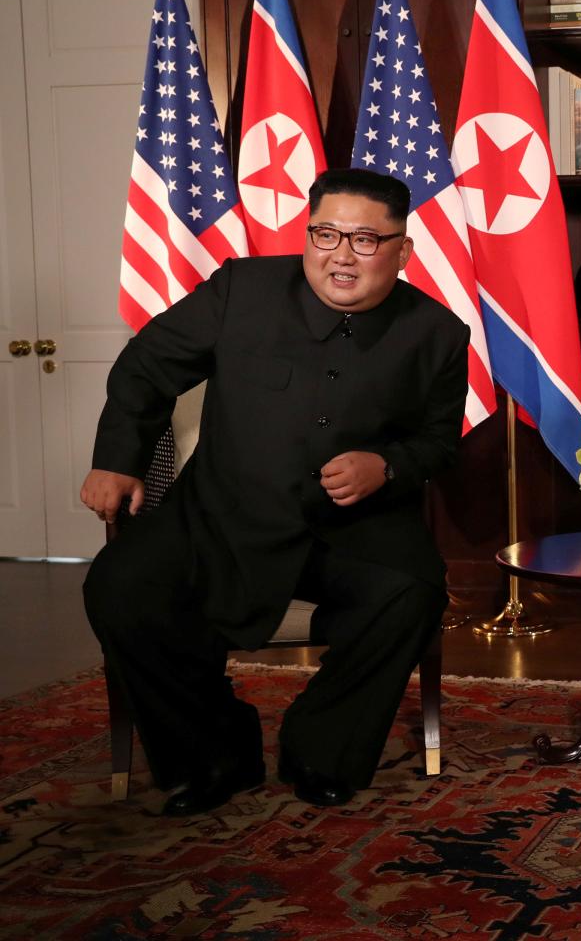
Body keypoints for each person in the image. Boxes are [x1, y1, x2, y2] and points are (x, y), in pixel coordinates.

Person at [82, 168, 469, 816]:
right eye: (326, 233)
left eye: (366, 241)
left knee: (412, 591)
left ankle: (321, 750)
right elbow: (146, 367)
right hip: (223, 510)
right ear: (307, 232)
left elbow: (439, 442)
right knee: (120, 587)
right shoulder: (242, 289)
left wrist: (387, 465)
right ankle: (213, 754)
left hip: (349, 525)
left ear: (404, 251)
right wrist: (119, 460)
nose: (341, 255)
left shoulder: (438, 333)